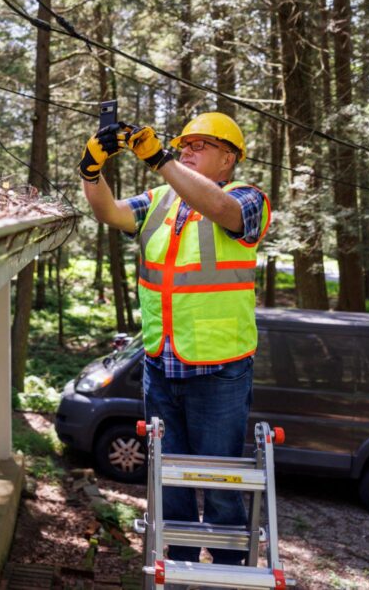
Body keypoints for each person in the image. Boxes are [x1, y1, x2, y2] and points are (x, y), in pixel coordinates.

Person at [79, 112, 271, 568]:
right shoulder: (160, 200)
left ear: (228, 159)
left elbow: (222, 212)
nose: (187, 149)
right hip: (161, 367)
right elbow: (108, 211)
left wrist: (161, 158)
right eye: (183, 143)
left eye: (199, 144)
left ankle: (225, 573)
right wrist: (91, 171)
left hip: (219, 371)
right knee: (172, 487)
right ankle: (180, 571)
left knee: (223, 486)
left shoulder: (247, 199)